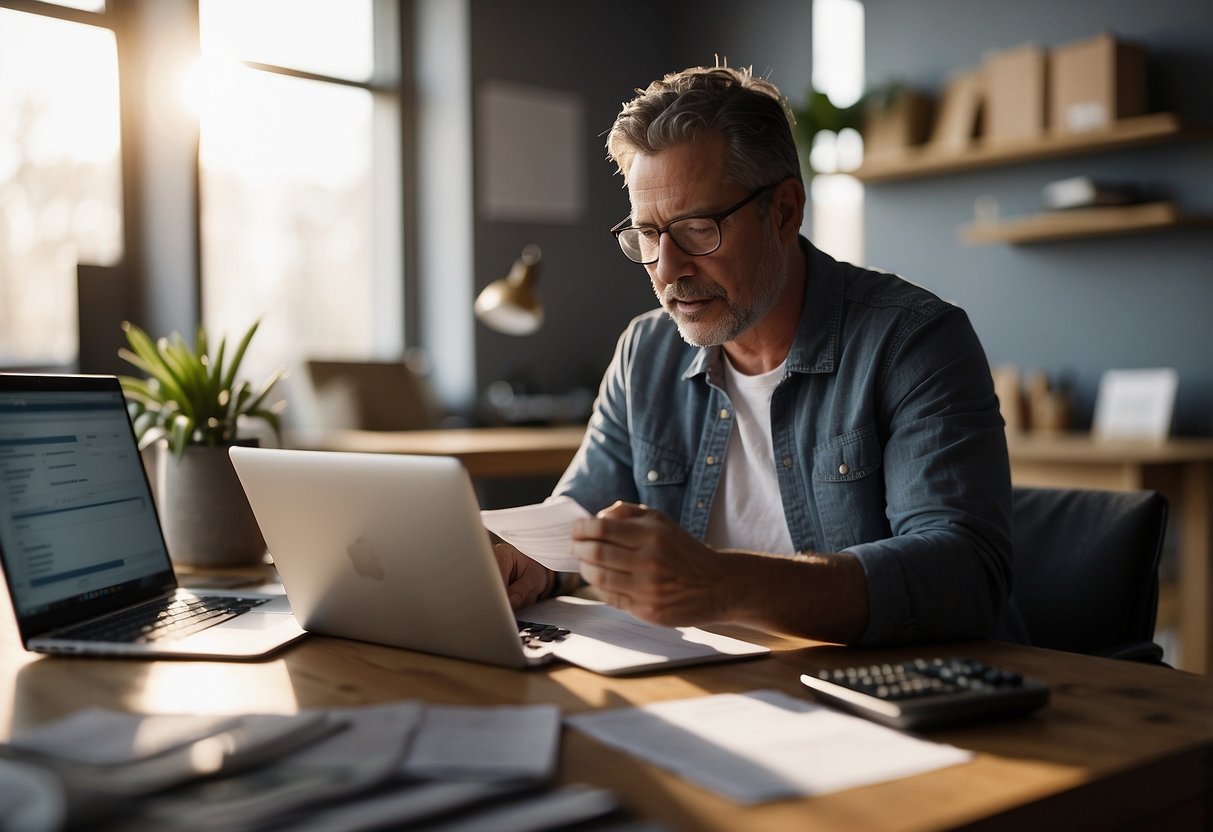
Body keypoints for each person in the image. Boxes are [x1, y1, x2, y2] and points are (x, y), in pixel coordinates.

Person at [494, 63, 1016, 646]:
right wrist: (532, 560)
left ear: (786, 210)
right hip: (710, 691)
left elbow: (963, 575)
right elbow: (580, 516)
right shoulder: (646, 352)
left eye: (696, 229)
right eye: (647, 234)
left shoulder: (913, 343)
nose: (668, 270)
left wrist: (723, 583)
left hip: (887, 700)